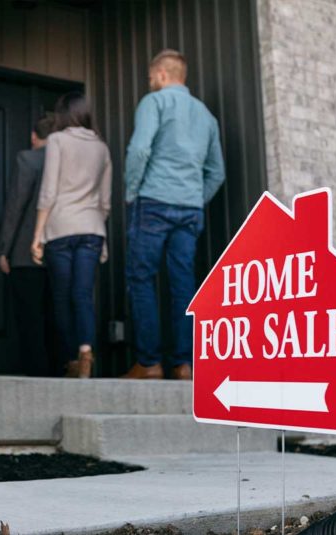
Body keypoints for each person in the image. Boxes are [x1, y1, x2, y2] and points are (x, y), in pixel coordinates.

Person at [122, 49, 226, 380]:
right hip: (189, 209)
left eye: (151, 77)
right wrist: (195, 198)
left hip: (153, 201)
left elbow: (139, 149)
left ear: (163, 75)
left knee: (141, 279)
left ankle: (149, 363)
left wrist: (131, 191)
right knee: (184, 285)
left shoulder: (154, 103)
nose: (150, 82)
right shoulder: (206, 116)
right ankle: (184, 364)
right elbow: (217, 172)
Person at [31, 93, 112, 379]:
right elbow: (105, 201)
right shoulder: (102, 148)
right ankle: (86, 350)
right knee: (83, 295)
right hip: (92, 230)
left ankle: (70, 360)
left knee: (63, 297)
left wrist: (37, 235)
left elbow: (49, 191)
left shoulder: (57, 141)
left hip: (61, 229)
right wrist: (100, 232)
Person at [0, 117, 55, 376]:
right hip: (59, 251)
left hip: (24, 251)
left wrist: (3, 248)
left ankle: (35, 371)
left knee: (29, 316)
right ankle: (58, 367)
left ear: (34, 137)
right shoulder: (65, 162)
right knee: (54, 314)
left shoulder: (28, 160)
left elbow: (16, 206)